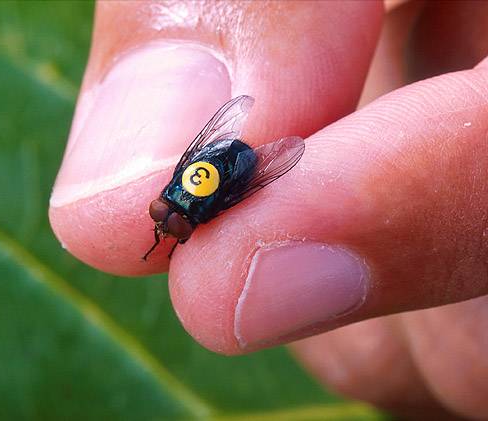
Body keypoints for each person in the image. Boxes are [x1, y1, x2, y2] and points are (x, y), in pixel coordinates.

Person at [48, 1, 487, 418]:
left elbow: (238, 182)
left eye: (169, 222)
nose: (167, 227)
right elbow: (203, 148)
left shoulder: (190, 210)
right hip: (221, 157)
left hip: (239, 164)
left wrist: (217, 198)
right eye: (171, 224)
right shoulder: (179, 199)